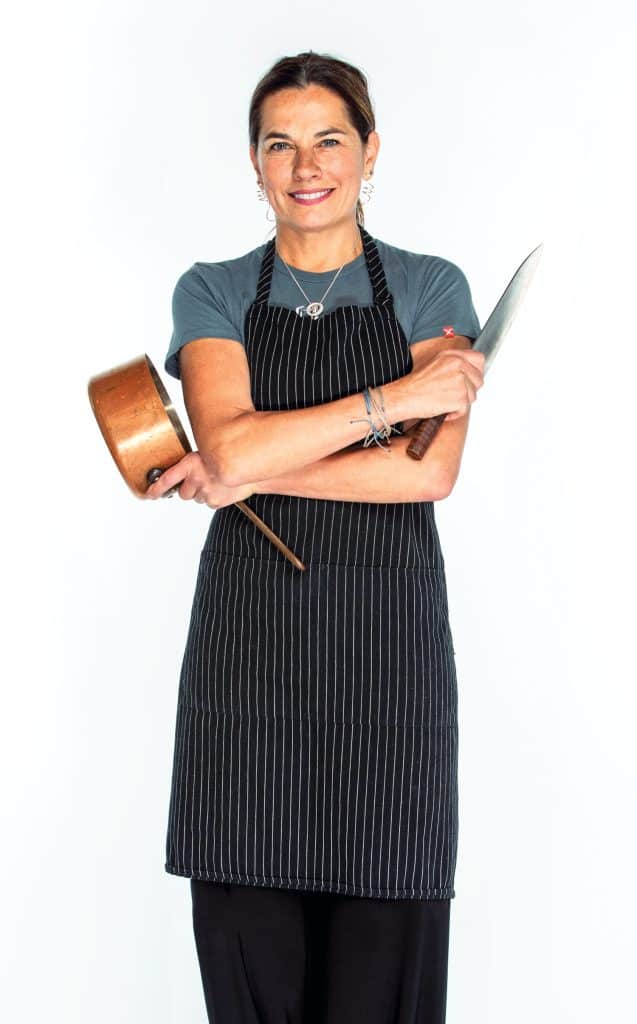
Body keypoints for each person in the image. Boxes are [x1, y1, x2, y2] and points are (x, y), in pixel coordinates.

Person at [147, 50, 485, 1024]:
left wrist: (247, 466)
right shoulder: (210, 292)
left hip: (389, 683)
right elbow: (226, 436)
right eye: (280, 144)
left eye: (329, 138)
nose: (306, 165)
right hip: (246, 685)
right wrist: (394, 397)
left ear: (369, 150)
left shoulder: (428, 286)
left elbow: (427, 471)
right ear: (254, 164)